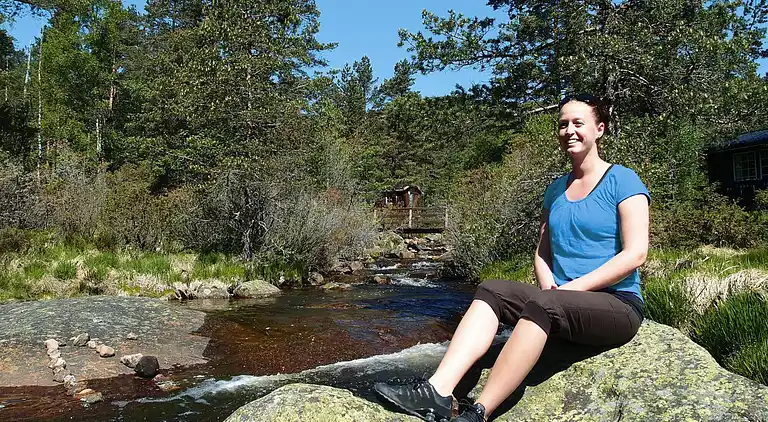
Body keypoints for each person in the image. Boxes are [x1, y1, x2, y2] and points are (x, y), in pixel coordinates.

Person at [374, 93, 650, 422]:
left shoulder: (623, 180)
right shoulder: (555, 190)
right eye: (563, 124)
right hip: (561, 301)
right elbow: (543, 251)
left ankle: (479, 412)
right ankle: (438, 392)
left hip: (617, 304)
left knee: (546, 304)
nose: (569, 131)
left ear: (599, 129)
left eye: (579, 123)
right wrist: (549, 286)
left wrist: (568, 291)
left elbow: (635, 254)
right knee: (491, 289)